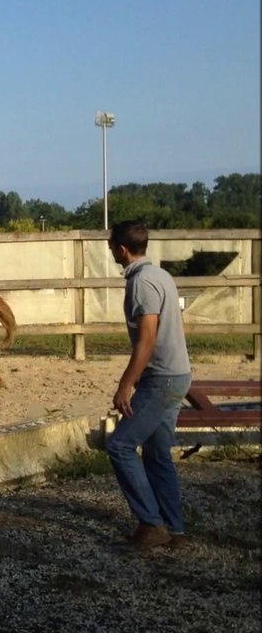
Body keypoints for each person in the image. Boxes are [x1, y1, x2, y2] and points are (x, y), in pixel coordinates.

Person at [105, 220, 192, 550]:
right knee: (157, 453)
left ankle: (152, 523)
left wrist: (125, 384)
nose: (112, 251)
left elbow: (147, 338)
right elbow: (178, 330)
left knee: (120, 446)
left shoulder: (141, 283)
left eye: (112, 246)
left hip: (162, 377)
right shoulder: (162, 276)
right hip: (176, 374)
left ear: (122, 250)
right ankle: (175, 529)